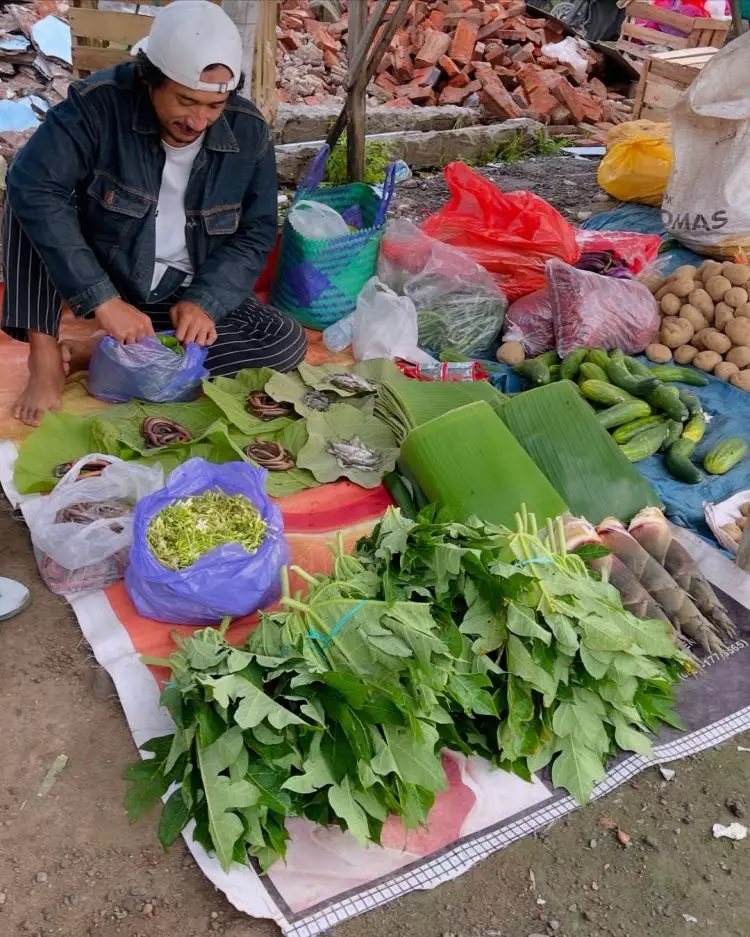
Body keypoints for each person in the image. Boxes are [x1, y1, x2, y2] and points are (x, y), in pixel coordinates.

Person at [2, 0, 306, 427]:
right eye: (186, 101)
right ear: (151, 79)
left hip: (177, 292)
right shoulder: (98, 107)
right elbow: (35, 186)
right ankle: (45, 351)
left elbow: (255, 233)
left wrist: (206, 300)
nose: (199, 121)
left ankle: (113, 351)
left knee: (282, 341)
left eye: (214, 107)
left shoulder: (248, 131)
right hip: (107, 277)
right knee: (29, 183)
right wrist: (103, 299)